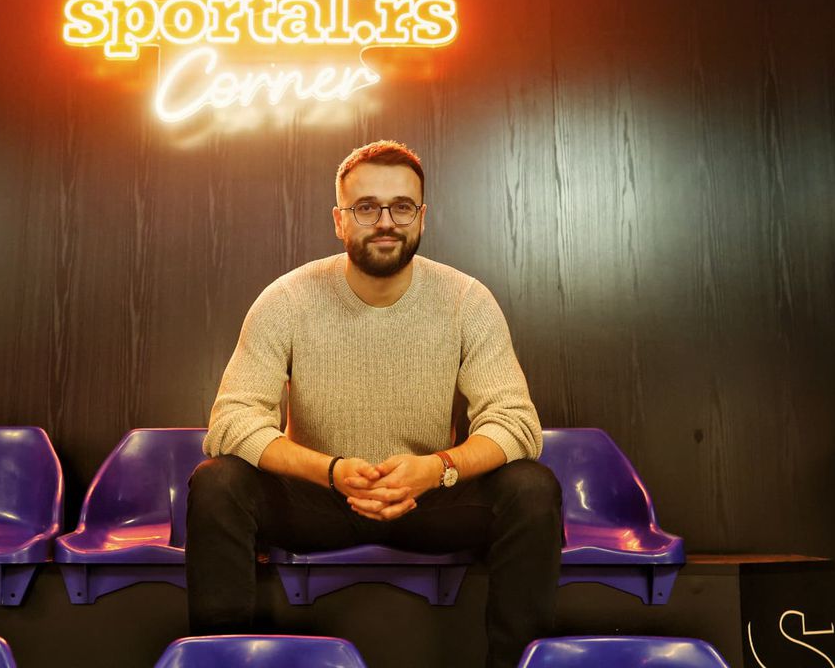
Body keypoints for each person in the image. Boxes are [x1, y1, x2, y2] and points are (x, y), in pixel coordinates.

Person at [186, 140, 561, 668]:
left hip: (426, 497)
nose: (386, 222)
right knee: (217, 481)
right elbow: (231, 421)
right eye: (366, 207)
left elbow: (517, 423)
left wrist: (437, 469)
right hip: (317, 496)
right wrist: (331, 472)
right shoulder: (286, 299)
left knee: (532, 488)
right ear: (339, 220)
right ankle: (223, 662)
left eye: (401, 207)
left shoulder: (466, 300)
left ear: (421, 217)